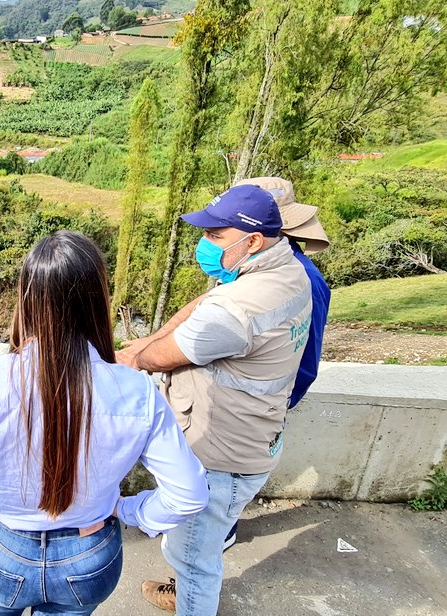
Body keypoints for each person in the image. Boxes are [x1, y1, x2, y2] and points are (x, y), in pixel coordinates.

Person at [0, 231, 210, 616]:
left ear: (26, 298)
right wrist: (129, 511)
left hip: (4, 549)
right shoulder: (136, 391)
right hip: (89, 553)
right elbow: (190, 494)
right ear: (98, 299)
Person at [117, 185, 312, 615]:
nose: (203, 244)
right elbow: (205, 302)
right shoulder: (286, 271)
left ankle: (190, 603)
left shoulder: (240, 308)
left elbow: (167, 355)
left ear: (253, 241)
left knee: (194, 561)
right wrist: (145, 343)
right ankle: (184, 596)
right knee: (198, 548)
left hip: (220, 456)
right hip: (250, 439)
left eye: (216, 235)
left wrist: (132, 356)